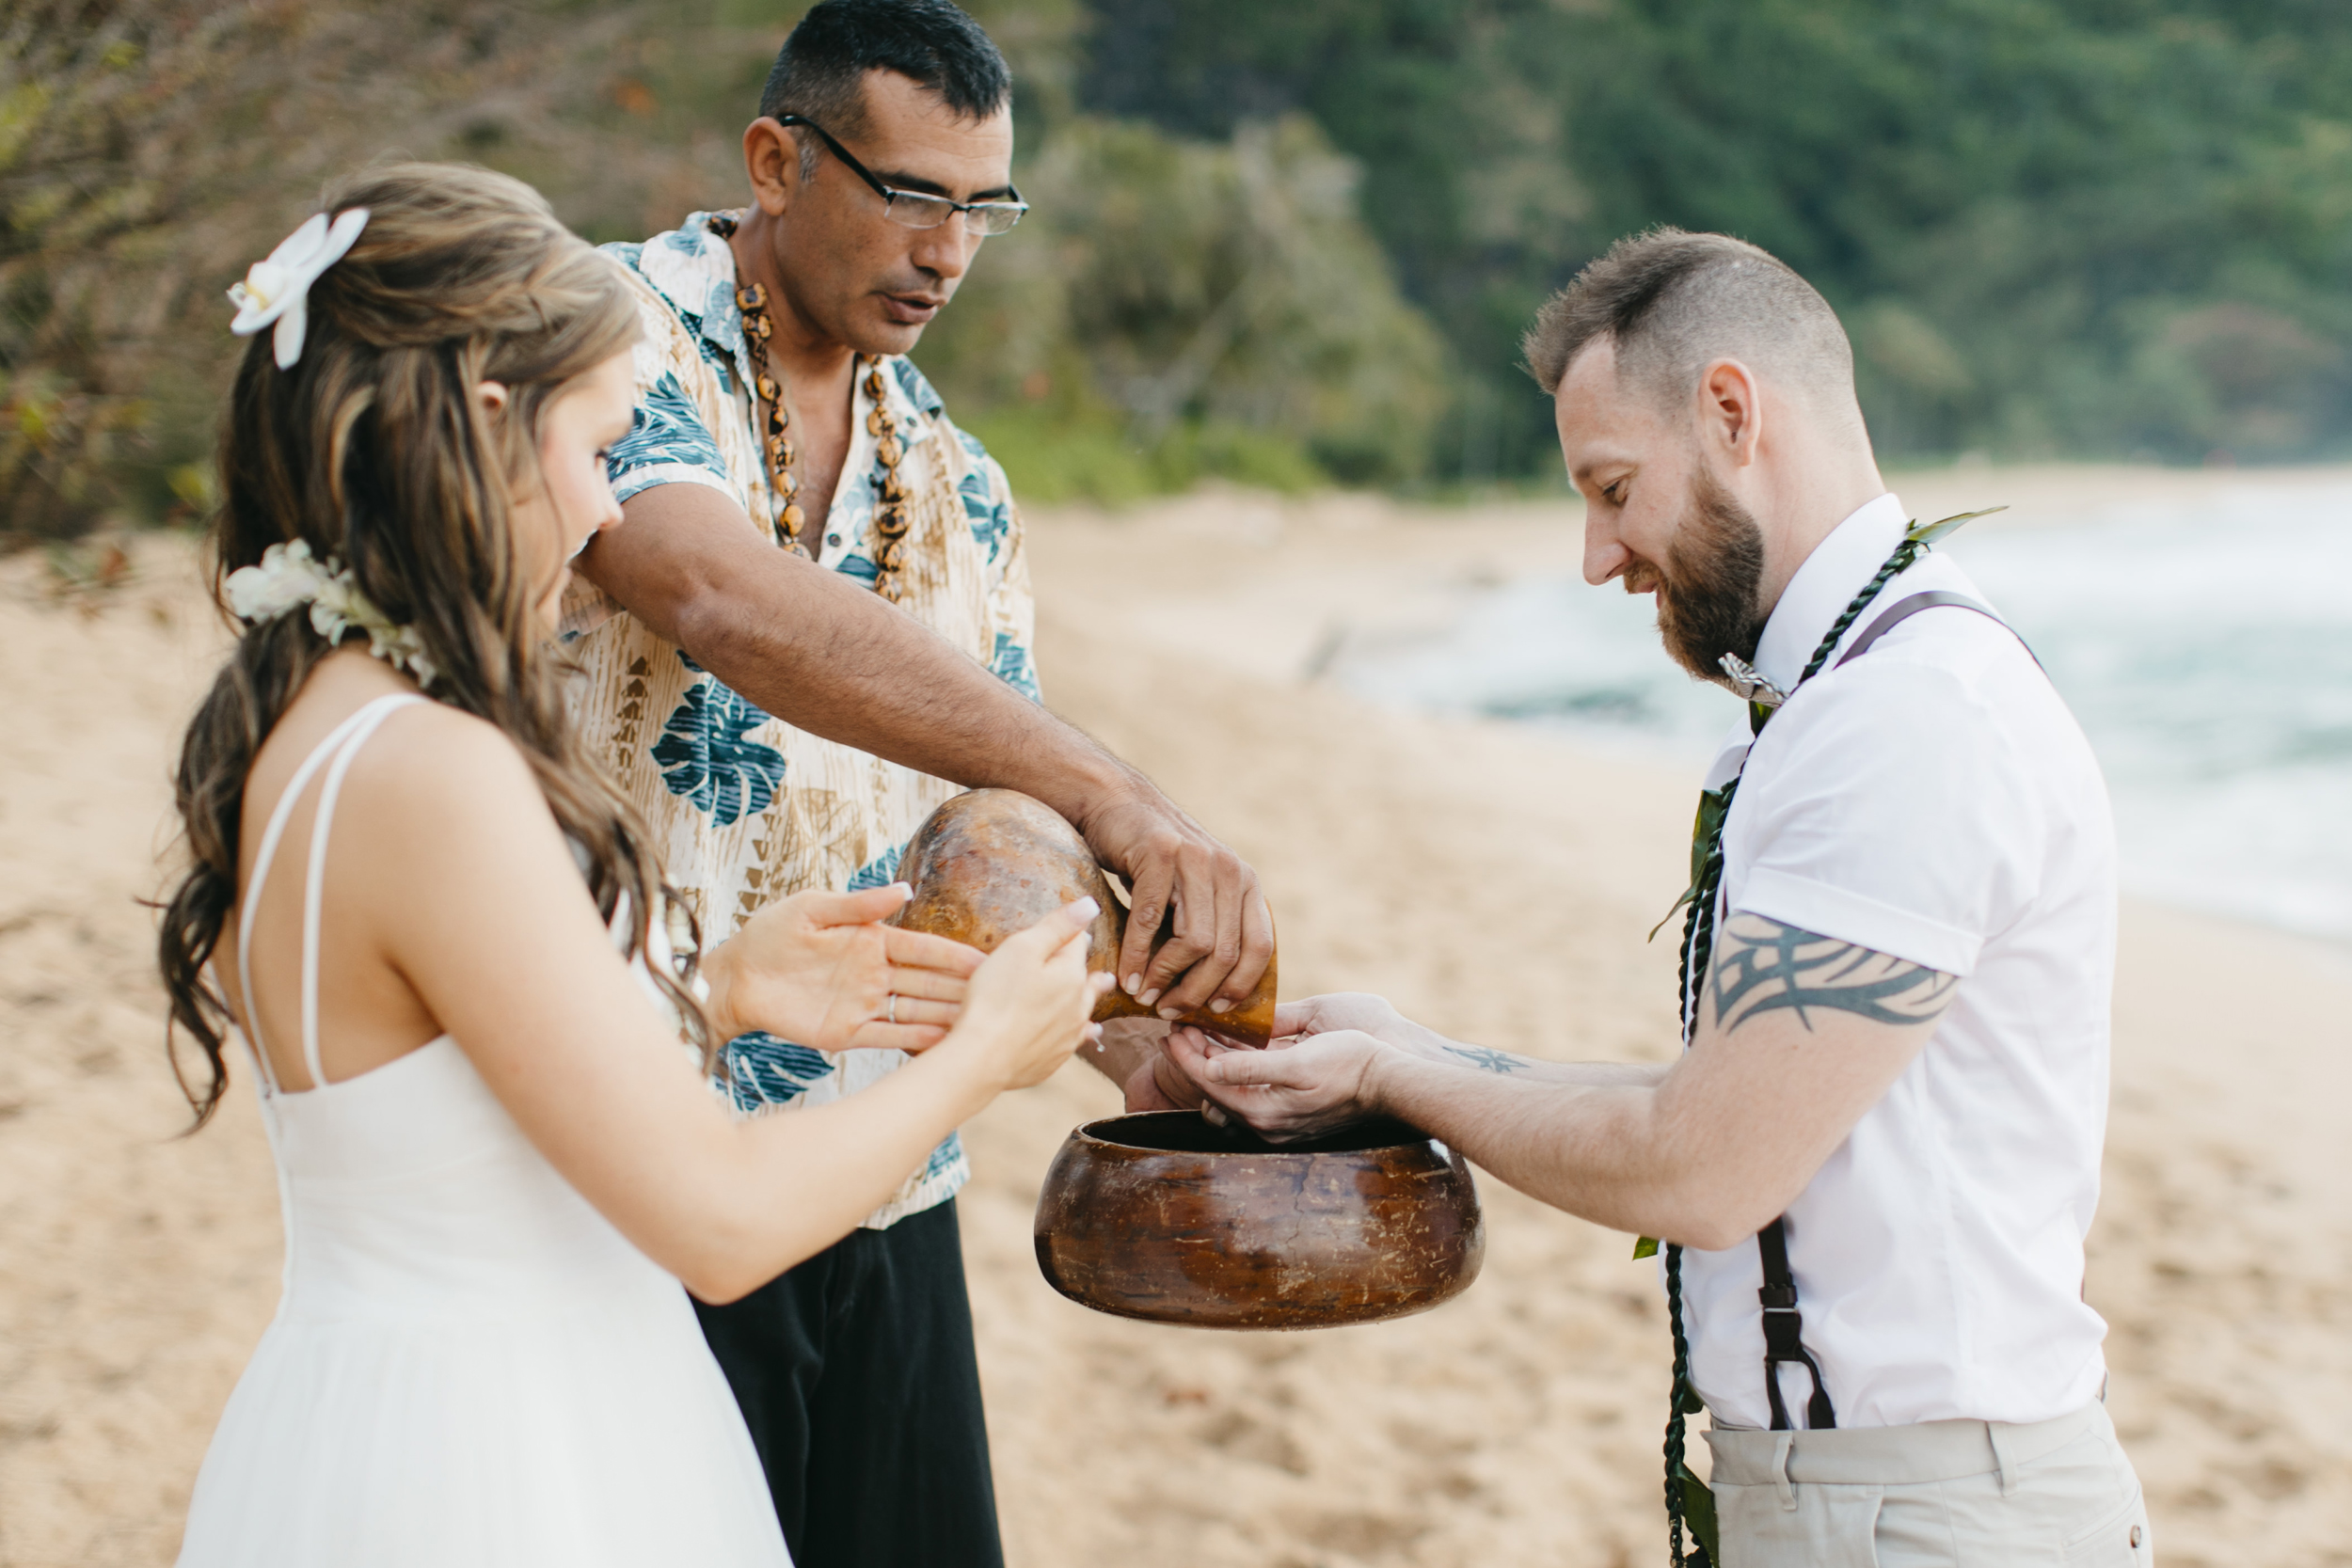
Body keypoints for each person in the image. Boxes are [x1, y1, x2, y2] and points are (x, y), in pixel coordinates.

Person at [157, 163, 1110, 1568]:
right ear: (490, 427)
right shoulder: (435, 771)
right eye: (597, 450)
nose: (608, 508)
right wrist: (981, 1056)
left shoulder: (304, 733)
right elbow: (721, 1223)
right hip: (507, 1461)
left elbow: (434, 1087)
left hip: (358, 1425)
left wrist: (715, 986)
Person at [1166, 230, 2155, 1567]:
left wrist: (1395, 1087)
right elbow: (1728, 1103)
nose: (1598, 554)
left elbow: (1703, 1169)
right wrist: (1404, 1050)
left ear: (1734, 414)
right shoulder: (1856, 696)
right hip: (1882, 1501)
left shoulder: (1906, 723)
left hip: (1928, 1520)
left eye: (1614, 488)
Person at [560, 3, 1270, 1561]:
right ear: (775, 158)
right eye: (910, 194)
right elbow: (717, 596)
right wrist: (1126, 796)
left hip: (884, 1171)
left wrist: (1144, 1058)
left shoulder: (960, 480)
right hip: (625, 1145)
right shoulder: (598, 334)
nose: (949, 251)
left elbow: (988, 846)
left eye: (983, 207)